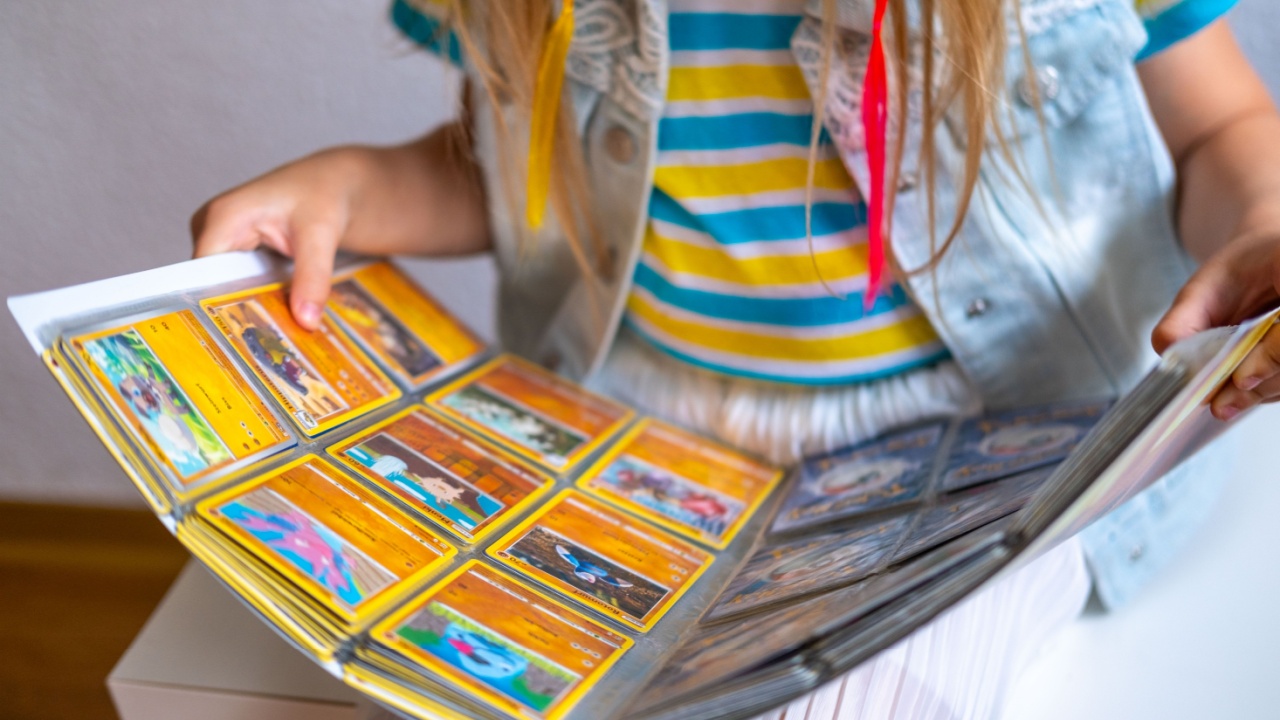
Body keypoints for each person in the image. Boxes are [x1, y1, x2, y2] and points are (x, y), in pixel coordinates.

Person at [191, 0, 1280, 717]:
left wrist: (1265, 215)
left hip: (1001, 436)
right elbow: (503, 170)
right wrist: (351, 187)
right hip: (643, 421)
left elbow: (1213, 127)